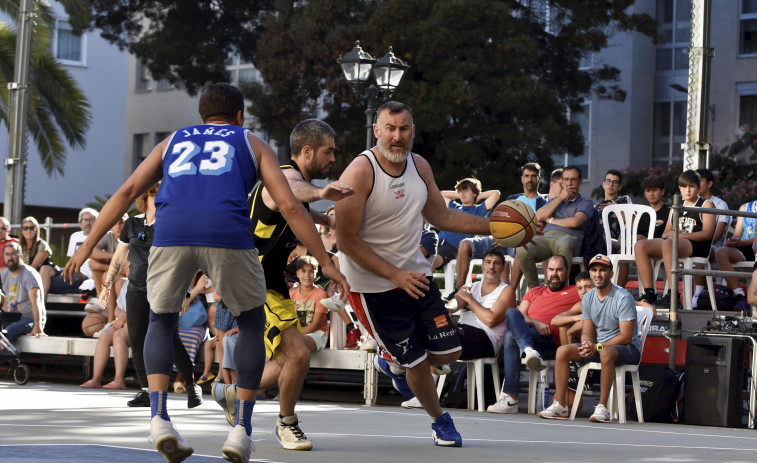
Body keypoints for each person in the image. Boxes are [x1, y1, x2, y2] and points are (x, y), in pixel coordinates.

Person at [64, 83, 348, 463]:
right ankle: (241, 430)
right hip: (227, 235)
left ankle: (160, 420)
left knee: (161, 320)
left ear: (202, 115)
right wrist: (327, 263)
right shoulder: (251, 141)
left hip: (172, 232)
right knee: (249, 322)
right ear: (239, 116)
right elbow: (290, 206)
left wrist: (86, 246)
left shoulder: (172, 141)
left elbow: (129, 189)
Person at [336, 101, 503, 447]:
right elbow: (346, 239)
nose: (398, 137)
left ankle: (392, 360)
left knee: (449, 352)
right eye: (391, 129)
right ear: (377, 130)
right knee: (417, 362)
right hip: (373, 286)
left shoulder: (419, 165)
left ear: (412, 130)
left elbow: (443, 217)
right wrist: (394, 274)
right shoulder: (360, 171)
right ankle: (440, 420)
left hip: (416, 276)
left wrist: (498, 227)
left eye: (405, 129)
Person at [211, 118, 353, 451]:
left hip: (268, 283)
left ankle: (232, 394)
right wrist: (320, 194)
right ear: (307, 151)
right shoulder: (285, 176)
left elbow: (297, 204)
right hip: (250, 280)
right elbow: (291, 192)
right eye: (328, 152)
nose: (333, 159)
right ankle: (286, 424)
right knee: (298, 354)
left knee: (294, 356)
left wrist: (324, 217)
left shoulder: (291, 185)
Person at [97, 182, 203, 410]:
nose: (160, 200)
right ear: (146, 199)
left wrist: (185, 292)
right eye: (156, 196)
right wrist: (107, 286)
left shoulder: (172, 225)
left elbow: (186, 260)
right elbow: (118, 258)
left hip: (165, 289)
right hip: (136, 289)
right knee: (136, 339)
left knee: (171, 338)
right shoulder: (132, 224)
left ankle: (192, 385)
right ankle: (146, 390)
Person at [401, 247, 515, 409]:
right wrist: (448, 310)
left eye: (496, 263)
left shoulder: (506, 291)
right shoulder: (472, 287)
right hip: (462, 332)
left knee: (444, 333)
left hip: (486, 340)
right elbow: (454, 304)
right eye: (488, 262)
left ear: (502, 267)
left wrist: (469, 299)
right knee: (431, 325)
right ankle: (427, 386)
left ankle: (441, 361)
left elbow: (490, 320)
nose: (491, 267)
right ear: (482, 265)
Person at [538, 254, 640, 423]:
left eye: (602, 270)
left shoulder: (623, 297)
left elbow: (626, 336)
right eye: (594, 270)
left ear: (611, 274)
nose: (597, 274)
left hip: (627, 348)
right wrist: (586, 343)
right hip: (600, 346)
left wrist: (597, 347)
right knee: (563, 351)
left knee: (606, 353)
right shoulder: (589, 298)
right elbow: (587, 331)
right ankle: (561, 405)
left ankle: (602, 408)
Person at [486, 255, 580, 414]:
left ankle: (510, 398)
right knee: (511, 312)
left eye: (559, 269)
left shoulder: (576, 291)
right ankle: (529, 350)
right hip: (532, 336)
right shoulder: (534, 292)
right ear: (546, 271)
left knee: (511, 337)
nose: (554, 274)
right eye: (551, 269)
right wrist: (536, 322)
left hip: (552, 340)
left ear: (567, 271)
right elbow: (520, 316)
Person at [454, 162, 547, 290]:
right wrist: (500, 236)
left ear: (539, 179)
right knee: (465, 244)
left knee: (521, 249)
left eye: (533, 176)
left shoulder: (543, 202)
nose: (529, 179)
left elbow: (538, 229)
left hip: (520, 243)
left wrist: (508, 240)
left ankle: (510, 292)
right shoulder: (512, 198)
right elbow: (500, 220)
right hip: (498, 238)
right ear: (522, 178)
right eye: (526, 176)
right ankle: (459, 291)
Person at [635, 170, 716, 307]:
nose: (688, 190)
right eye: (684, 187)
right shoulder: (676, 206)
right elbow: (666, 233)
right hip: (675, 242)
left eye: (692, 186)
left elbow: (707, 233)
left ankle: (673, 294)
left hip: (697, 245)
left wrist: (679, 235)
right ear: (680, 188)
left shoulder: (706, 204)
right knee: (640, 246)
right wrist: (673, 235)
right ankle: (649, 292)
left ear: (699, 188)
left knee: (669, 244)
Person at [517, 166, 595, 290]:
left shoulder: (586, 202)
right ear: (562, 182)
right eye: (566, 179)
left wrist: (551, 220)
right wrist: (560, 198)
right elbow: (537, 217)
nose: (569, 183)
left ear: (580, 182)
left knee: (565, 244)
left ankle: (561, 291)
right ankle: (534, 291)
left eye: (573, 179)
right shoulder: (555, 201)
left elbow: (575, 222)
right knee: (523, 250)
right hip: (546, 238)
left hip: (569, 238)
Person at [432, 176, 500, 271]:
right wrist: (461, 194)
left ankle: (422, 283)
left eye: (466, 190)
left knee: (431, 262)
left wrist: (479, 195)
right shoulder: (454, 206)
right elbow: (441, 194)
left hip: (453, 247)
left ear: (475, 193)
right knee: (419, 254)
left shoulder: (478, 210)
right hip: (438, 241)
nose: (462, 193)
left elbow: (496, 194)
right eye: (460, 190)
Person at [80, 276, 130, 389]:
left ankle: (119, 380)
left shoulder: (148, 283)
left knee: (118, 335)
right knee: (105, 334)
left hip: (141, 325)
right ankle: (96, 379)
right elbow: (118, 308)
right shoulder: (127, 284)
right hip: (124, 323)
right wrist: (119, 314)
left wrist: (125, 319)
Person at [692, 168, 731, 307]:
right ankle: (669, 295)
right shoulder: (689, 203)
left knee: (700, 252)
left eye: (699, 181)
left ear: (709, 184)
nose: (695, 184)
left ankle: (697, 295)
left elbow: (717, 235)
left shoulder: (720, 204)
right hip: (690, 246)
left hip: (714, 249)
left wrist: (696, 242)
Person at [1, 242, 46, 343]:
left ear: (21, 256)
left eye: (13, 254)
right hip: (11, 317)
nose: (10, 257)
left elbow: (36, 302)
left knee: (8, 331)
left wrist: (38, 326)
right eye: (7, 254)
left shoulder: (29, 274)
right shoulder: (3, 275)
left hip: (29, 319)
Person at [715, 199, 756, 309]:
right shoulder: (745, 207)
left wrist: (740, 242)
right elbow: (737, 233)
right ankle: (740, 295)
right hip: (743, 248)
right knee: (721, 252)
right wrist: (732, 240)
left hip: (753, 246)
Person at [595, 169, 632, 285]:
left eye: (615, 182)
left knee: (622, 251)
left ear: (619, 187)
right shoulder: (595, 206)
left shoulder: (623, 200)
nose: (611, 184)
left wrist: (615, 207)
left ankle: (619, 289)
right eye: (608, 181)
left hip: (614, 240)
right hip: (597, 239)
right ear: (603, 184)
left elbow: (632, 222)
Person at [551, 271, 595, 346]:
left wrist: (570, 332)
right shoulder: (581, 306)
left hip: (606, 347)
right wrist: (576, 317)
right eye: (580, 288)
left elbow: (592, 321)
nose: (583, 292)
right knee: (564, 326)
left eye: (588, 287)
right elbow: (554, 321)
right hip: (587, 344)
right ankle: (569, 355)